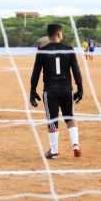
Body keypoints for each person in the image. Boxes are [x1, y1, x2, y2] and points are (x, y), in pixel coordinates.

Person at [30, 24, 83, 159]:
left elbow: (36, 73)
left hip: (50, 90)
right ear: (59, 34)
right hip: (66, 89)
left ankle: (54, 151)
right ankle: (75, 145)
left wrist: (32, 91)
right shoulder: (69, 49)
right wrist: (80, 88)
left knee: (52, 120)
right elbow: (76, 70)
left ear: (48, 36)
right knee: (69, 117)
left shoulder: (42, 51)